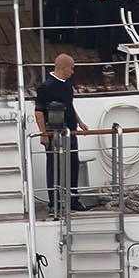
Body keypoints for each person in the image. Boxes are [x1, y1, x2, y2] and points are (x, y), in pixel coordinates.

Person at [34, 52, 90, 215]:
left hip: (70, 131)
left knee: (73, 163)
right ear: (64, 68)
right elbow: (38, 112)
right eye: (71, 69)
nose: (73, 72)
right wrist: (44, 134)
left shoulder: (67, 84)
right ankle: (54, 203)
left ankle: (73, 199)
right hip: (54, 132)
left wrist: (79, 122)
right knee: (54, 167)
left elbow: (69, 105)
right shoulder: (46, 87)